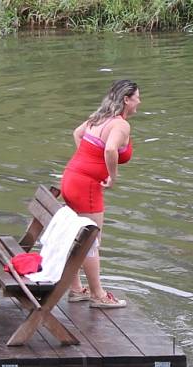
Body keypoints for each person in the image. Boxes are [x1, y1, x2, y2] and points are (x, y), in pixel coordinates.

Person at [60, 79, 140, 307]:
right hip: (87, 187)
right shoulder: (120, 125)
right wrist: (112, 176)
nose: (139, 102)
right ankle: (98, 295)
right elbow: (111, 149)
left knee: (77, 238)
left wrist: (86, 161)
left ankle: (76, 290)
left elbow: (77, 133)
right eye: (137, 98)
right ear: (126, 99)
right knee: (91, 242)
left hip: (71, 177)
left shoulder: (99, 117)